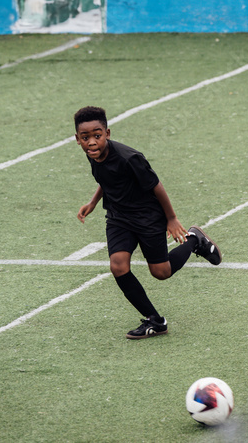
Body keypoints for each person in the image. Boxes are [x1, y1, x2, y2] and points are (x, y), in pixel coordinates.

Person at [74, 106, 222, 340]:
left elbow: (156, 185)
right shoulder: (93, 154)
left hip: (147, 217)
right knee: (118, 266)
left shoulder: (129, 158)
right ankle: (156, 321)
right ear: (77, 139)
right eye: (85, 138)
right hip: (118, 218)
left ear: (107, 134)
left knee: (161, 272)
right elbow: (108, 178)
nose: (91, 142)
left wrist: (171, 219)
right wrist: (93, 202)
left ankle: (194, 239)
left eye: (97, 135)